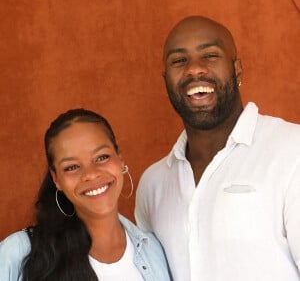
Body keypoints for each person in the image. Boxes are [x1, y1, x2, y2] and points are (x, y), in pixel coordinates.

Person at [135, 15, 300, 281]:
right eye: (179, 60)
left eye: (210, 55)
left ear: (237, 70)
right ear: (166, 80)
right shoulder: (153, 184)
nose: (194, 69)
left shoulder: (292, 151)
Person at [0, 108, 172, 281]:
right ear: (56, 179)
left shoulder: (154, 251)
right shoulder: (17, 253)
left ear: (120, 159)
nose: (90, 174)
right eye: (72, 167)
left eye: (101, 157)